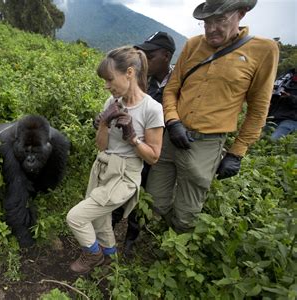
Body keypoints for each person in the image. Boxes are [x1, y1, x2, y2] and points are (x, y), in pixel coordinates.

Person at [146, 0, 279, 233]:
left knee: (187, 210)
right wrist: (173, 120)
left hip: (206, 143)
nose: (211, 29)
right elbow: (171, 88)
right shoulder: (193, 45)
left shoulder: (264, 50)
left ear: (241, 13)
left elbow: (258, 108)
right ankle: (159, 236)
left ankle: (175, 251)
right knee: (154, 199)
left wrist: (237, 153)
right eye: (207, 22)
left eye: (220, 20)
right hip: (171, 135)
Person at [67, 46, 164, 274]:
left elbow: (154, 157)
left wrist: (132, 137)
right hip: (102, 166)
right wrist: (103, 123)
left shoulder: (152, 108)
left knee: (76, 217)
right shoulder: (112, 102)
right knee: (101, 221)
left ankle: (93, 255)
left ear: (129, 73)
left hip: (125, 174)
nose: (107, 86)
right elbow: (101, 145)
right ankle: (110, 260)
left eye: (110, 80)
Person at [110, 31, 176, 255]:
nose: (143, 58)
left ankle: (130, 238)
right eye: (142, 53)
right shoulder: (141, 81)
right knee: (120, 189)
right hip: (132, 148)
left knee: (144, 194)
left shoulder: (177, 84)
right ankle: (110, 227)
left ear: (166, 56)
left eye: (150, 54)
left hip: (155, 151)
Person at [265, 68, 297, 141]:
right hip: (274, 116)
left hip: (291, 119)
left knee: (273, 140)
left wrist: (289, 97)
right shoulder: (286, 77)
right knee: (256, 137)